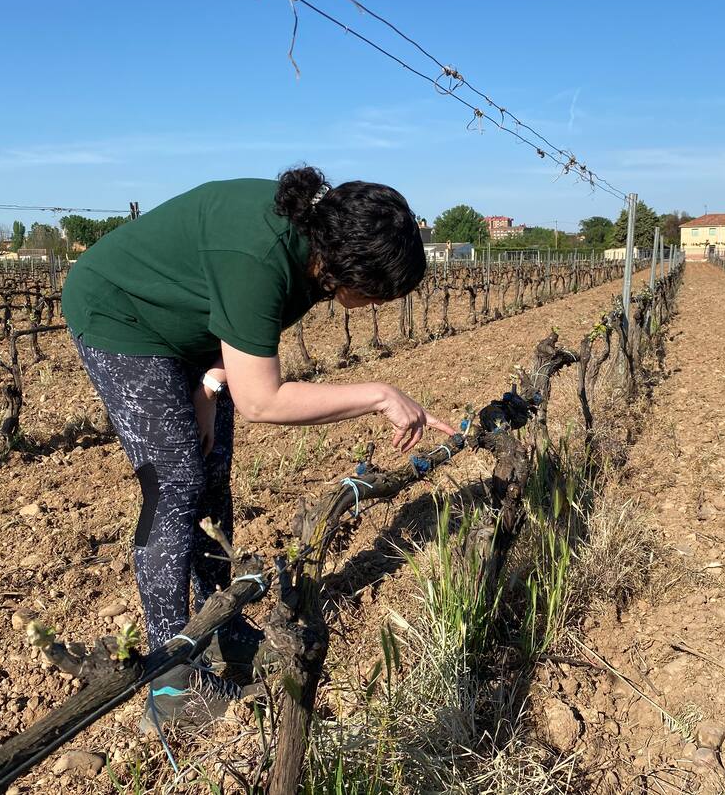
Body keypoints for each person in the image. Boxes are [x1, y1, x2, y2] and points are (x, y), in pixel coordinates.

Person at [62, 166, 456, 732]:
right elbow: (263, 400)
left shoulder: (314, 250)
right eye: (377, 295)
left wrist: (205, 382)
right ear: (346, 268)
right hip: (121, 315)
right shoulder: (261, 256)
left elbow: (223, 319)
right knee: (173, 484)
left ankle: (218, 627)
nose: (375, 308)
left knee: (211, 471)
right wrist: (378, 395)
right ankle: (171, 681)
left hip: (182, 327)